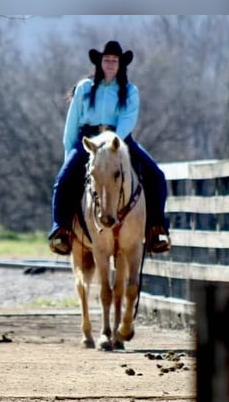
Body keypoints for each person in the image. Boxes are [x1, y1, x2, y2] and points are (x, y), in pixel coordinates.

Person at [48, 40, 171, 256]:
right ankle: (62, 230)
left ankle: (155, 228)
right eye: (107, 60)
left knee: (156, 176)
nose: (111, 63)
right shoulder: (84, 88)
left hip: (119, 141)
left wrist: (112, 142)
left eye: (115, 60)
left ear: (121, 64)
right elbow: (72, 122)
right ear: (100, 63)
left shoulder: (130, 91)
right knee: (63, 180)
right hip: (88, 141)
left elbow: (127, 120)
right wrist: (69, 154)